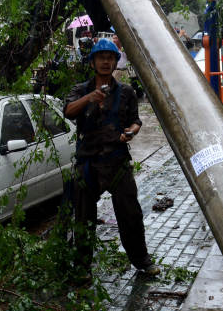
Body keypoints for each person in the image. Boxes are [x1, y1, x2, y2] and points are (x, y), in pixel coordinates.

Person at [64, 38, 160, 282]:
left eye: (110, 58)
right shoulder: (81, 90)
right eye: (101, 58)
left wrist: (131, 132)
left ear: (116, 62)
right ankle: (82, 267)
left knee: (131, 215)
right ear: (93, 62)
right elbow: (68, 111)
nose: (106, 62)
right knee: (83, 218)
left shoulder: (126, 92)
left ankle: (142, 260)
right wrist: (90, 98)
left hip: (117, 161)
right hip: (88, 164)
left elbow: (136, 120)